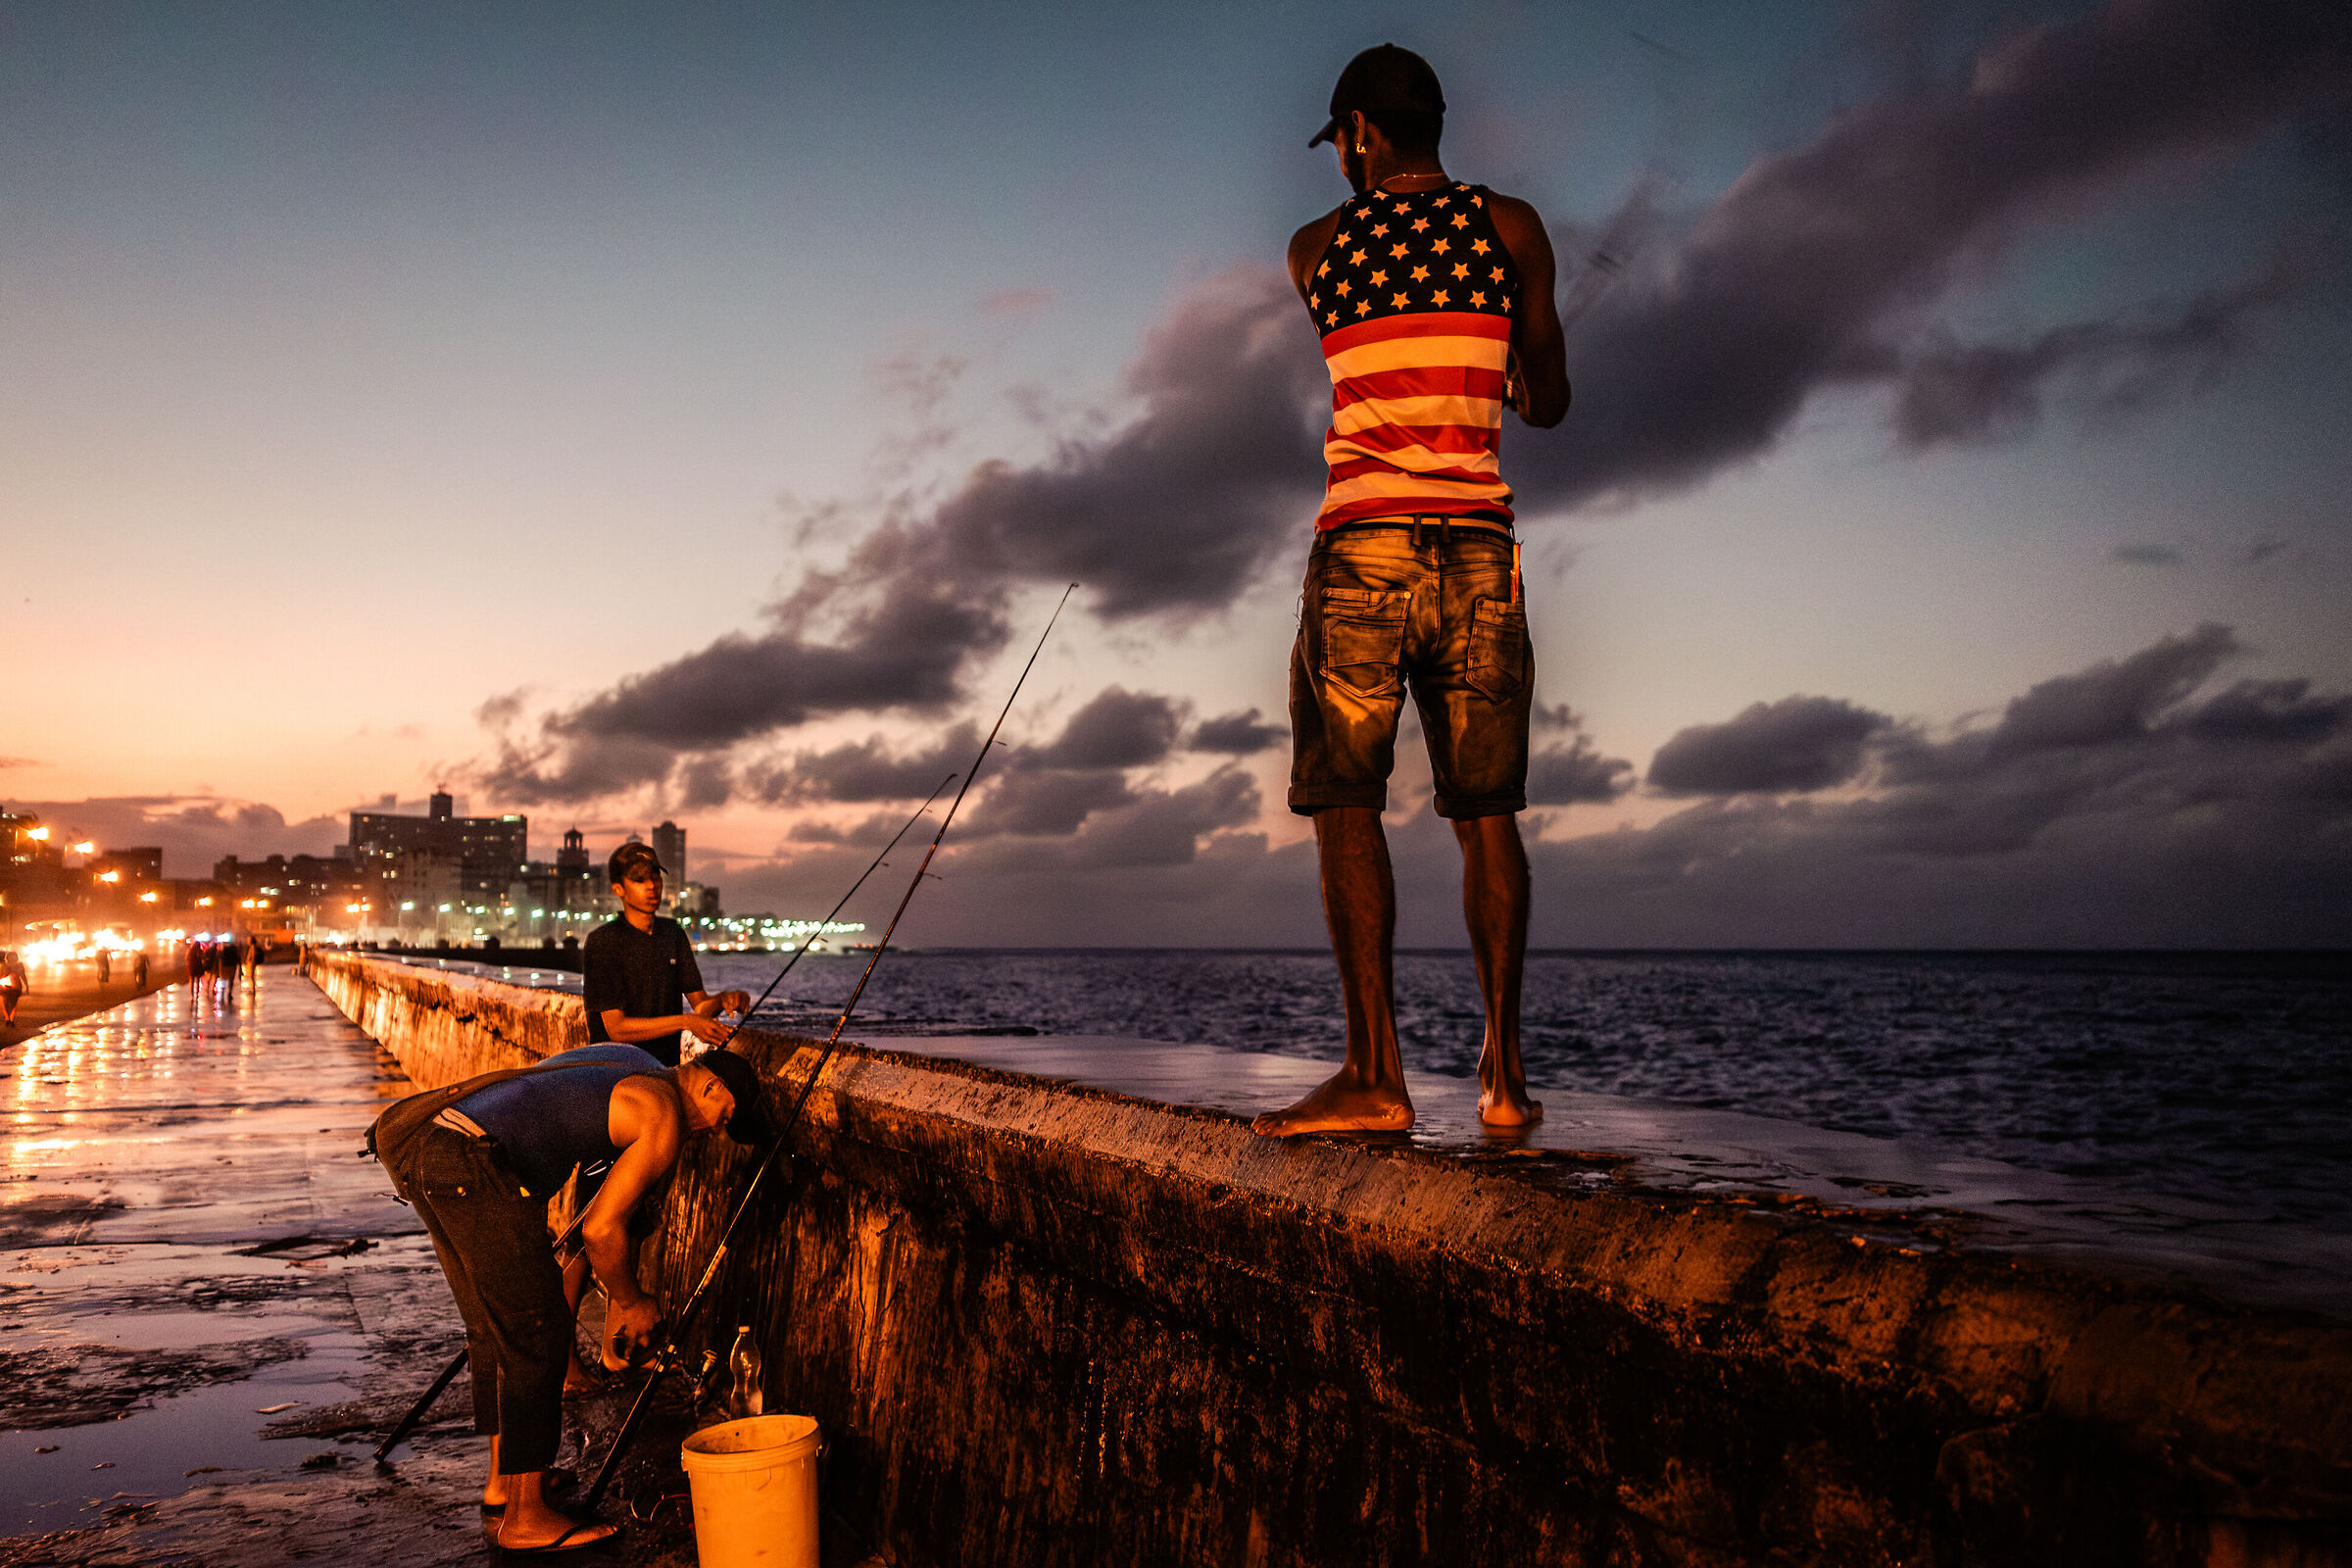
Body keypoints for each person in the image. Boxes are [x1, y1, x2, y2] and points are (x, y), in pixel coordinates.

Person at [1254, 45, 1569, 1138]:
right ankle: (1504, 1074)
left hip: (1363, 547)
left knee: (1347, 799)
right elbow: (1550, 398)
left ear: (1361, 135)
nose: (1341, 156)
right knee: (1488, 813)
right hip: (1477, 548)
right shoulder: (1512, 228)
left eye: (1342, 140)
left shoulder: (1316, 249)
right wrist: (1514, 373)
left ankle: (1375, 1072)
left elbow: (1370, 334)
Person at [369, 1042, 774, 1553]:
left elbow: (552, 1103)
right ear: (711, 1085)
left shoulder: (633, 1062)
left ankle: (506, 1483)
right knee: (538, 1330)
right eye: (725, 1115)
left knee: (497, 1326)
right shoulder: (663, 1111)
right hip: (475, 1164)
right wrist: (630, 1302)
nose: (716, 1130)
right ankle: (525, 1518)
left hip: (428, 1142)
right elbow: (602, 1232)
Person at [583, 843, 748, 1070]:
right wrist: (685, 1021)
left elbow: (699, 1006)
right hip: (614, 1073)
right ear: (618, 889)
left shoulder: (672, 934)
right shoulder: (604, 941)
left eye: (655, 877)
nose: (651, 886)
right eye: (639, 880)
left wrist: (723, 999)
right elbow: (616, 1028)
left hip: (664, 1070)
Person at [0, 950, 24, 1026]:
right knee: (6, 1003)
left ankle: (10, 1018)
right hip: (6, 986)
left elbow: (23, 975)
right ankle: (8, 1018)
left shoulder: (19, 965)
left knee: (12, 1004)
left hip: (14, 986)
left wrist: (26, 986)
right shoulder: (4, 966)